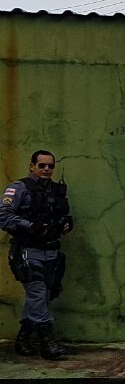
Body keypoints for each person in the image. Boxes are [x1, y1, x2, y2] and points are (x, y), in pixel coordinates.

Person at [0, 150, 73, 359]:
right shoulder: (19, 188)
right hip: (27, 250)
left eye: (50, 166)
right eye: (42, 165)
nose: (47, 169)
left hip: (51, 250)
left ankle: (23, 339)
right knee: (37, 291)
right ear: (32, 166)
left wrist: (66, 223)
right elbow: (3, 217)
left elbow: (62, 215)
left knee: (45, 295)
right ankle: (46, 342)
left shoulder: (56, 191)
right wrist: (31, 226)